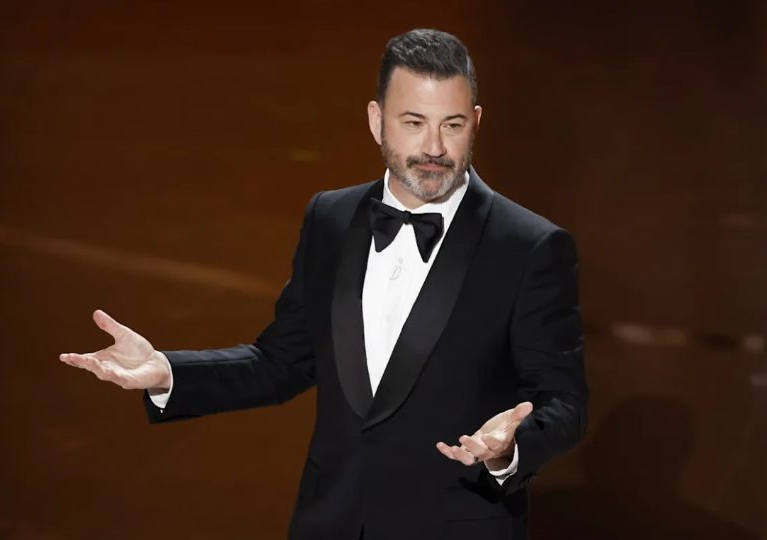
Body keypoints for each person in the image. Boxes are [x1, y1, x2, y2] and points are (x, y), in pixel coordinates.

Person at [60, 28, 588, 540]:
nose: (434, 146)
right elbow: (282, 362)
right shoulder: (330, 218)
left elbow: (563, 402)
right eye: (413, 122)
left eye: (452, 125)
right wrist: (167, 372)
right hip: (330, 521)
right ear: (377, 121)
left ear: (475, 122)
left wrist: (509, 448)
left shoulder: (530, 246)